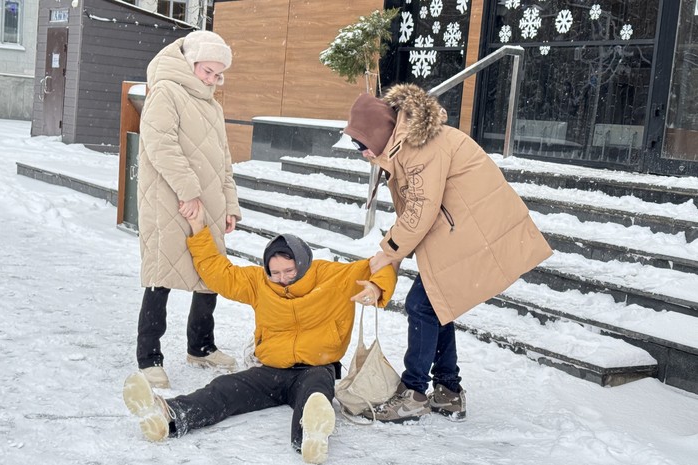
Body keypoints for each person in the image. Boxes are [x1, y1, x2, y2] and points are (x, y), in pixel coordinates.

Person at [343, 83, 553, 423]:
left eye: (361, 144)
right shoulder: (405, 144)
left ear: (380, 133)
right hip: (458, 229)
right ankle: (449, 391)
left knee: (421, 306)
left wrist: (390, 252)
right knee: (435, 304)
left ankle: (413, 394)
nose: (361, 152)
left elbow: (420, 210)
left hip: (475, 230)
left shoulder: (420, 145)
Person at [122, 207, 397, 464]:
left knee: (315, 395)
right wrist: (198, 227)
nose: (282, 278)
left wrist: (375, 287)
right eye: (275, 272)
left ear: (303, 263)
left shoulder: (334, 276)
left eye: (289, 271)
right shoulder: (259, 283)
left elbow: (381, 263)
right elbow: (219, 273)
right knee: (224, 389)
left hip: (316, 366)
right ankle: (169, 416)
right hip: (271, 371)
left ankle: (312, 435)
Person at [135, 30, 242, 389]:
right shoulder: (166, 91)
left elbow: (223, 160)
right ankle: (149, 357)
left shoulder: (212, 104)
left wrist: (230, 204)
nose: (212, 79)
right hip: (169, 199)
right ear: (190, 62)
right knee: (161, 275)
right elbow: (159, 144)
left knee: (211, 274)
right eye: (206, 71)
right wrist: (189, 191)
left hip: (206, 201)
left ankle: (201, 346)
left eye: (217, 74)